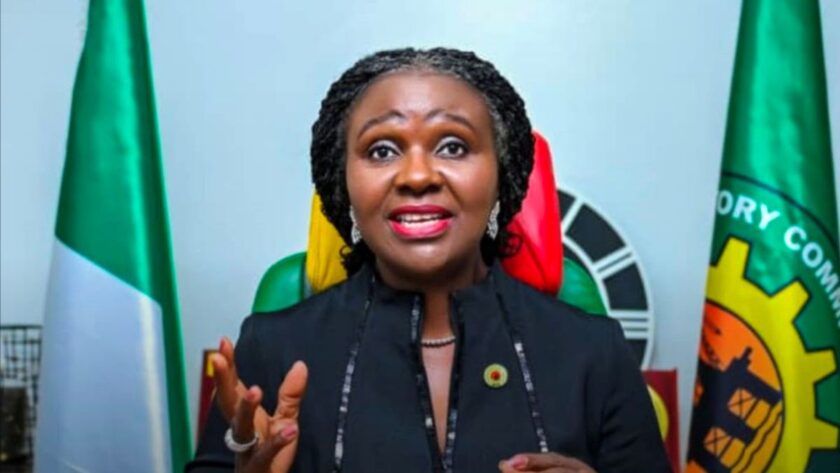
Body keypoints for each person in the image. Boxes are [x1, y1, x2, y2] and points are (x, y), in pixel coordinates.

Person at [186, 47, 670, 473]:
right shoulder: (270, 348)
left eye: (453, 146)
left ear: (502, 177)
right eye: (382, 150)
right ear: (344, 184)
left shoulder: (595, 352)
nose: (417, 176)